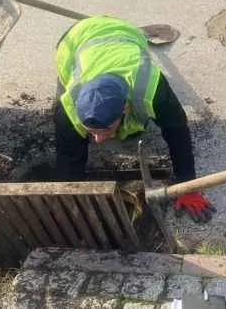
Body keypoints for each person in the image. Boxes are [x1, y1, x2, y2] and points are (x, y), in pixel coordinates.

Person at [53, 15, 215, 223]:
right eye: (91, 131)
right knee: (70, 135)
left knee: (136, 129)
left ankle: (120, 126)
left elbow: (177, 131)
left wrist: (187, 186)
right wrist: (75, 207)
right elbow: (68, 159)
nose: (98, 141)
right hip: (73, 40)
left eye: (104, 130)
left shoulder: (152, 90)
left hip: (124, 32)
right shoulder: (68, 108)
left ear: (125, 107)